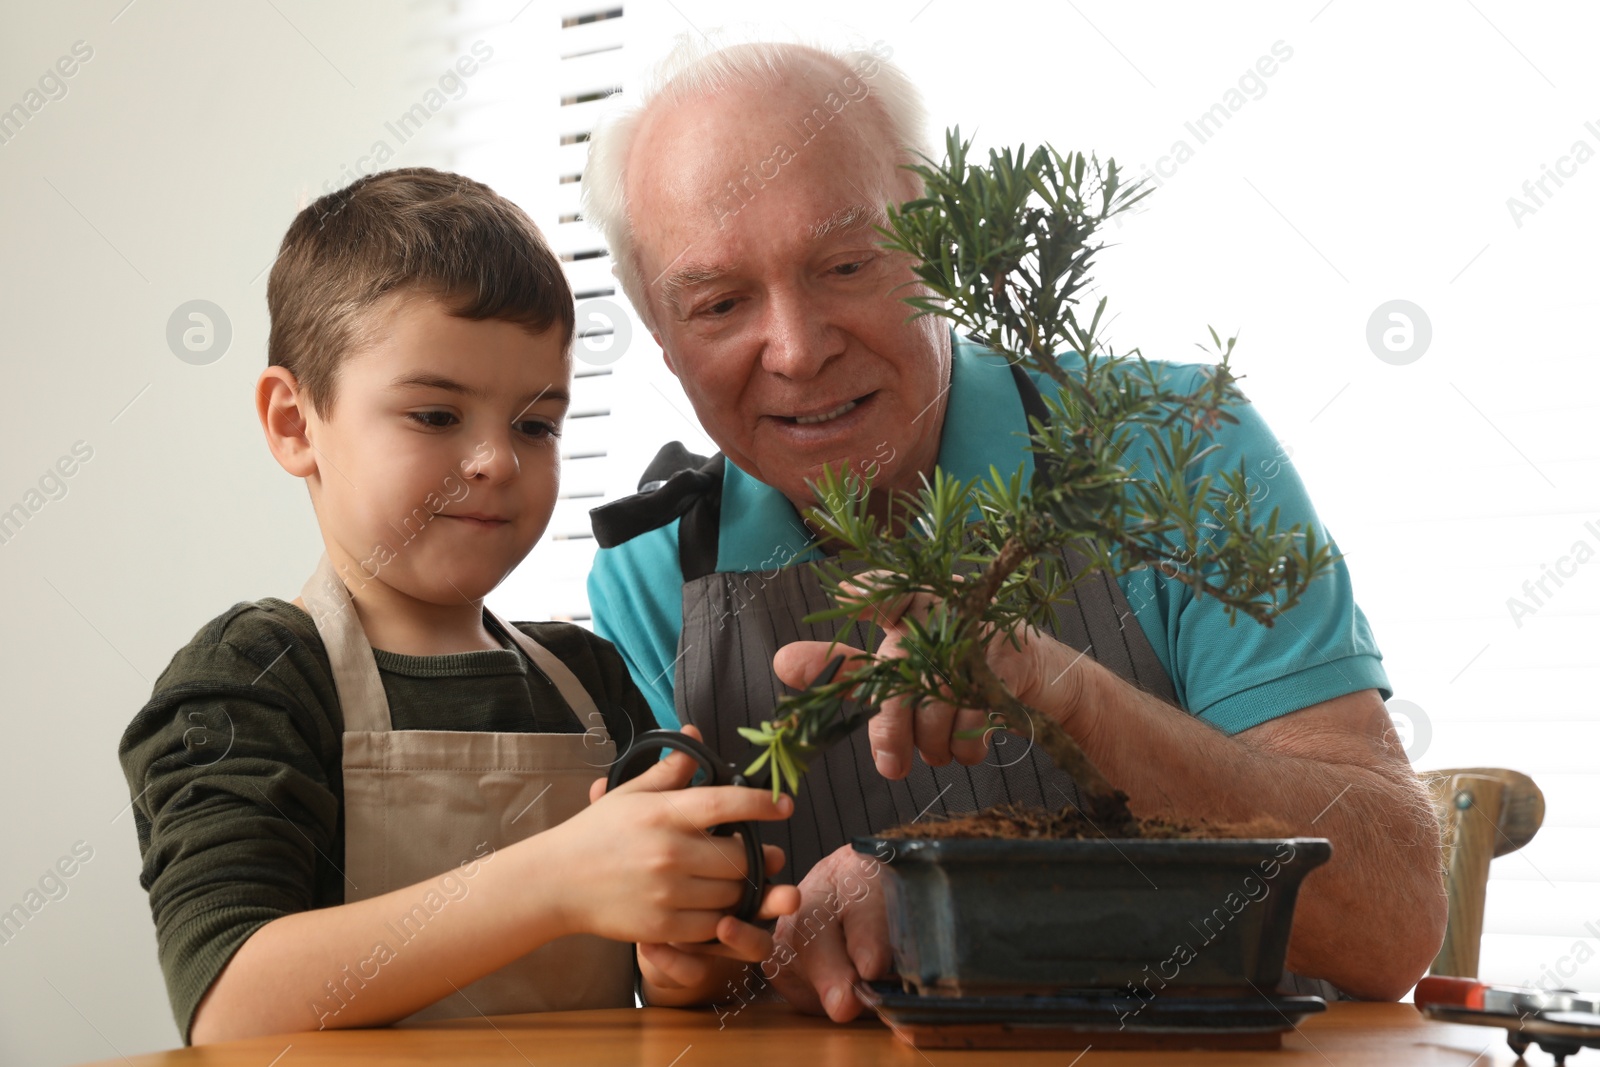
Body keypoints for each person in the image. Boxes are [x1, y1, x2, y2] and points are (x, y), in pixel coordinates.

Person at [580, 36, 1447, 1019]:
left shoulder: (1175, 447)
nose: (796, 346)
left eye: (847, 264)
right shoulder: (657, 575)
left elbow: (1390, 923)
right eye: (720, 302)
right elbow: (715, 974)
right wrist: (684, 961)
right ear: (660, 332)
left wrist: (1063, 706)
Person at [117, 168, 799, 1045]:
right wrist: (555, 879)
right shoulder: (255, 678)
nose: (496, 462)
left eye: (535, 424)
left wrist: (688, 961)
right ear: (295, 423)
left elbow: (663, 986)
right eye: (437, 415)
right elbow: (231, 1003)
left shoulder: (587, 681)